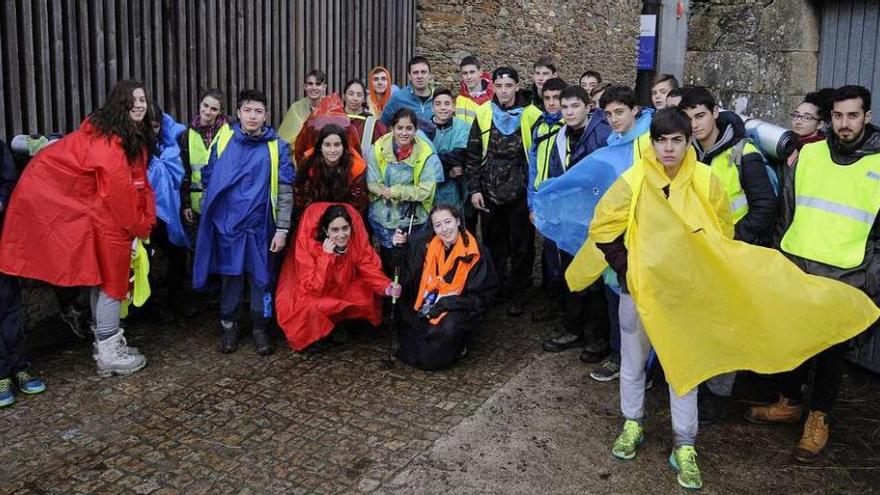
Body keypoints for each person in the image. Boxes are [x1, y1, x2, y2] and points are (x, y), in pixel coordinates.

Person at [747, 85, 880, 463]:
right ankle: (787, 402)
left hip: (847, 275)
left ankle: (818, 419)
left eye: (852, 115)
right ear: (829, 118)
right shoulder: (809, 154)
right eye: (838, 116)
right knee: (795, 339)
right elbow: (787, 212)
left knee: (831, 354)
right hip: (800, 267)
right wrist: (781, 260)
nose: (844, 123)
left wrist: (870, 280)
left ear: (866, 117)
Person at [0, 80, 156, 377]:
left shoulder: (112, 136)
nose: (140, 105)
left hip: (105, 221)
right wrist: (139, 225)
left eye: (143, 100)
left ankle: (106, 345)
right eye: (133, 100)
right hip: (110, 224)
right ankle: (109, 351)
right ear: (118, 105)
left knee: (104, 282)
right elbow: (119, 192)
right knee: (113, 284)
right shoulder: (113, 143)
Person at [679, 86, 779, 421]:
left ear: (715, 113)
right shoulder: (688, 152)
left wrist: (733, 241)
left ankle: (718, 397)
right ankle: (700, 381)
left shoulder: (743, 152)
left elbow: (765, 207)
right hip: (700, 253)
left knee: (725, 324)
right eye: (688, 118)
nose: (694, 124)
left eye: (700, 115)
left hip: (732, 254)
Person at [193, 89, 295, 356]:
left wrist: (282, 229)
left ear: (266, 115)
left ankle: (261, 328)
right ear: (238, 113)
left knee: (263, 280)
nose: (252, 116)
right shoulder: (223, 141)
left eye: (258, 111)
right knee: (231, 278)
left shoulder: (278, 147)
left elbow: (285, 190)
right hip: (230, 228)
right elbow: (209, 180)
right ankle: (229, 327)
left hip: (263, 228)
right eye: (247, 110)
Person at [539, 85, 613, 361]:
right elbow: (558, 174)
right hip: (571, 216)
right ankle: (573, 328)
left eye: (574, 106)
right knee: (571, 271)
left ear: (587, 107)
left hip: (595, 216)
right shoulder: (560, 136)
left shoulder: (603, 134)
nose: (569, 112)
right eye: (565, 107)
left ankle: (596, 338)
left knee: (594, 277)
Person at [275, 203, 400, 352]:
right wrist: (326, 257)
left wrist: (386, 287)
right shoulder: (313, 248)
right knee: (310, 307)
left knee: (364, 293)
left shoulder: (354, 243)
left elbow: (368, 266)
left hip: (340, 286)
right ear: (325, 231)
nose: (341, 235)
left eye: (345, 229)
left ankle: (342, 324)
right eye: (335, 230)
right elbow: (313, 286)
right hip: (316, 290)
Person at [393, 204, 499, 370]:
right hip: (430, 300)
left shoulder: (476, 253)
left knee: (435, 354)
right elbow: (409, 251)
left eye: (448, 222)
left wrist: (447, 305)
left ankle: (458, 344)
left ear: (458, 221)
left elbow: (480, 296)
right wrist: (400, 243)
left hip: (456, 306)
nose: (444, 229)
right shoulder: (428, 245)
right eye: (438, 225)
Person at [465, 67, 533, 317]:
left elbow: (535, 156)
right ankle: (495, 288)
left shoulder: (530, 114)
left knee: (521, 245)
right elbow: (473, 154)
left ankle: (519, 292)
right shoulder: (484, 113)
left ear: (517, 86)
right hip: (490, 189)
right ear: (493, 87)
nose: (504, 91)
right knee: (493, 243)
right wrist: (474, 189)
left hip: (520, 189)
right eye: (499, 86)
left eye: (509, 86)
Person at [367, 108, 444, 272]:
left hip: (413, 218)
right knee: (388, 260)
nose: (404, 133)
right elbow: (372, 182)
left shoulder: (426, 153)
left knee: (413, 261)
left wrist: (394, 192)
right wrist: (385, 192)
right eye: (399, 128)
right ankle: (389, 294)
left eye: (409, 128)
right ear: (392, 129)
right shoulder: (378, 148)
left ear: (415, 130)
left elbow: (425, 190)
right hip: (384, 217)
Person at [0, 139, 46, 407]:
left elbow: (9, 180)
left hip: (5, 240)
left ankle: (18, 366)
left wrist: (3, 199)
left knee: (11, 305)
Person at [146, 105, 192, 318]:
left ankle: (174, 298)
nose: (151, 131)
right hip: (145, 212)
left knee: (177, 254)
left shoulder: (167, 142)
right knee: (145, 260)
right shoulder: (136, 146)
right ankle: (152, 304)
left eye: (155, 127)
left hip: (167, 211)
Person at [179, 89, 230, 226]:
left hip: (224, 200)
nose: (208, 111)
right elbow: (185, 172)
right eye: (205, 106)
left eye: (214, 109)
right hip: (197, 203)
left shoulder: (231, 132)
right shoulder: (186, 135)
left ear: (220, 111)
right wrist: (186, 204)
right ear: (200, 105)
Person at [294, 123, 369, 217]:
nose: (332, 150)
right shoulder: (308, 162)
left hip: (347, 213)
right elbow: (302, 196)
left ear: (344, 147)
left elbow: (358, 202)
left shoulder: (356, 165)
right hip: (313, 212)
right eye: (327, 145)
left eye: (337, 145)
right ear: (320, 147)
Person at [425, 88, 471, 214]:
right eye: (438, 104)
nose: (443, 108)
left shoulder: (463, 127)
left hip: (454, 192)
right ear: (432, 108)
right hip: (428, 192)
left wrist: (434, 160)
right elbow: (423, 162)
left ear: (453, 106)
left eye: (447, 103)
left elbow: (458, 156)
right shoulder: (423, 131)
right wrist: (446, 172)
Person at [380, 56, 435, 128]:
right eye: (415, 72)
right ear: (409, 76)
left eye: (423, 72)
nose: (419, 76)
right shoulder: (398, 98)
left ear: (430, 75)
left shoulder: (438, 97)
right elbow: (382, 126)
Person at [278, 69, 328, 148]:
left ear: (324, 87)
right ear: (305, 87)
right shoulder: (295, 109)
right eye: (310, 84)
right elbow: (284, 140)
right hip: (300, 156)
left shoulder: (331, 107)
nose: (314, 88)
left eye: (318, 84)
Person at [521, 55, 559, 156]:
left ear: (554, 75)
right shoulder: (525, 100)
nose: (540, 78)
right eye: (537, 73)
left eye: (545, 74)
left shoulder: (563, 99)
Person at [342, 79, 388, 158]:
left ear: (364, 99)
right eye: (351, 94)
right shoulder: (335, 118)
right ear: (344, 96)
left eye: (359, 95)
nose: (355, 98)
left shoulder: (373, 124)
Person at [786, 89, 832, 167]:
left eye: (806, 117)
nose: (798, 121)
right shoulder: (786, 143)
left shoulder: (823, 149)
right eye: (796, 115)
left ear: (819, 124)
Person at [454, 55, 494, 125]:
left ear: (480, 72)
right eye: (465, 73)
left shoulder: (494, 95)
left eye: (472, 72)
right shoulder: (460, 100)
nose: (469, 77)